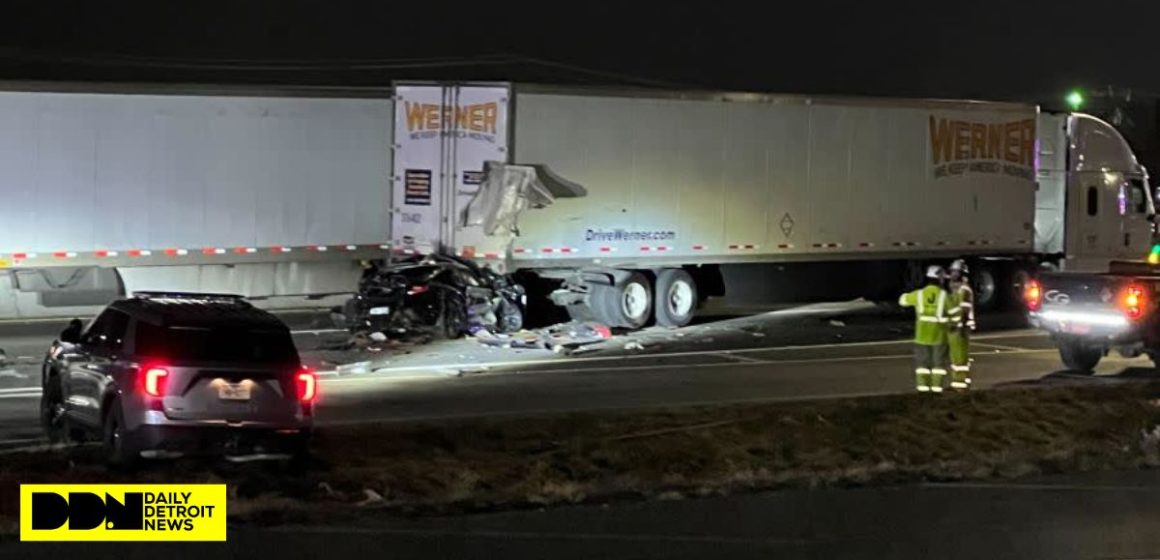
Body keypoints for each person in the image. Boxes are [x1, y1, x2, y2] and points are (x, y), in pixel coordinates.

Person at [898, 266, 958, 393]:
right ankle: (936, 390)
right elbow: (954, 312)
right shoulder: (944, 296)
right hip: (939, 336)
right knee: (938, 365)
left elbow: (902, 301)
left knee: (922, 365)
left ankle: (923, 389)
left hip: (921, 336)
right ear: (940, 279)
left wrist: (909, 292)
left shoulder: (919, 294)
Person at [946, 259, 975, 390]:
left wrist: (960, 326)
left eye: (955, 272)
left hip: (960, 328)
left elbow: (964, 309)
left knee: (960, 358)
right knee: (956, 358)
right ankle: (958, 383)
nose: (952, 275)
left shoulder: (964, 290)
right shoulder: (958, 289)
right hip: (956, 327)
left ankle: (961, 385)